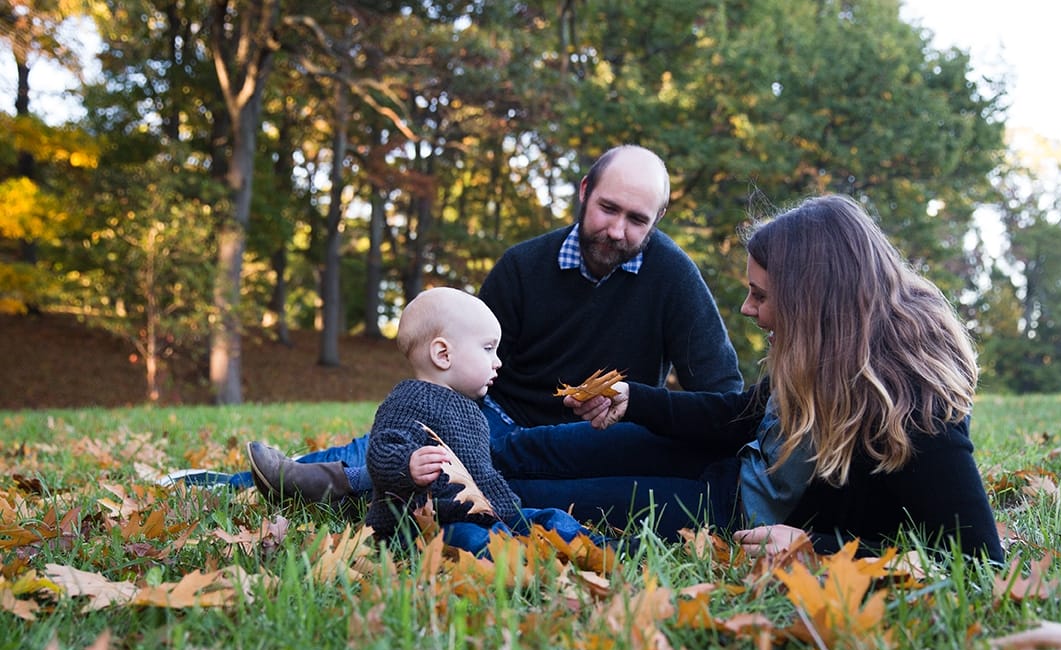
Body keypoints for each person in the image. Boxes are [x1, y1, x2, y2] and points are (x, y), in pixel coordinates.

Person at [235, 145, 743, 527]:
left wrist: (642, 407)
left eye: (637, 220)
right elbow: (459, 364)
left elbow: (721, 391)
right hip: (494, 416)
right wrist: (448, 417)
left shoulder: (674, 278)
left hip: (592, 436)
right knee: (391, 440)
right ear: (585, 190)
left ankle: (321, 485)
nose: (617, 230)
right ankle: (231, 483)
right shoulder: (523, 268)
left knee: (440, 460)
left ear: (657, 221)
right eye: (609, 209)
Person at [567, 194, 1004, 562]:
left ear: (811, 305)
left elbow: (977, 557)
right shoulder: (827, 353)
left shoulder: (913, 401)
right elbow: (743, 415)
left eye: (760, 295)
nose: (746, 308)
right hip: (725, 468)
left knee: (544, 495)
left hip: (730, 514)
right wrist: (637, 401)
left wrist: (815, 546)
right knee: (545, 449)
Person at [364, 286, 625, 556]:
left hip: (490, 513)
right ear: (443, 355)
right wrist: (408, 466)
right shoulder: (410, 398)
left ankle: (596, 547)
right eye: (488, 349)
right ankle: (517, 562)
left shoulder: (470, 410)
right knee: (474, 540)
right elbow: (381, 450)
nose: (497, 362)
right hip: (429, 524)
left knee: (548, 518)